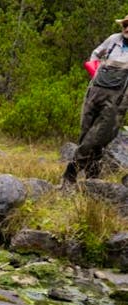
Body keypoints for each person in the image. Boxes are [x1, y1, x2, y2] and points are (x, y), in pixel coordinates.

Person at [63, 15, 128, 185]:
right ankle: (93, 177)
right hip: (94, 92)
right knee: (85, 133)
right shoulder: (114, 39)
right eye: (126, 25)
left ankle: (72, 171)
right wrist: (94, 71)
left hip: (117, 99)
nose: (127, 29)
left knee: (98, 136)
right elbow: (95, 54)